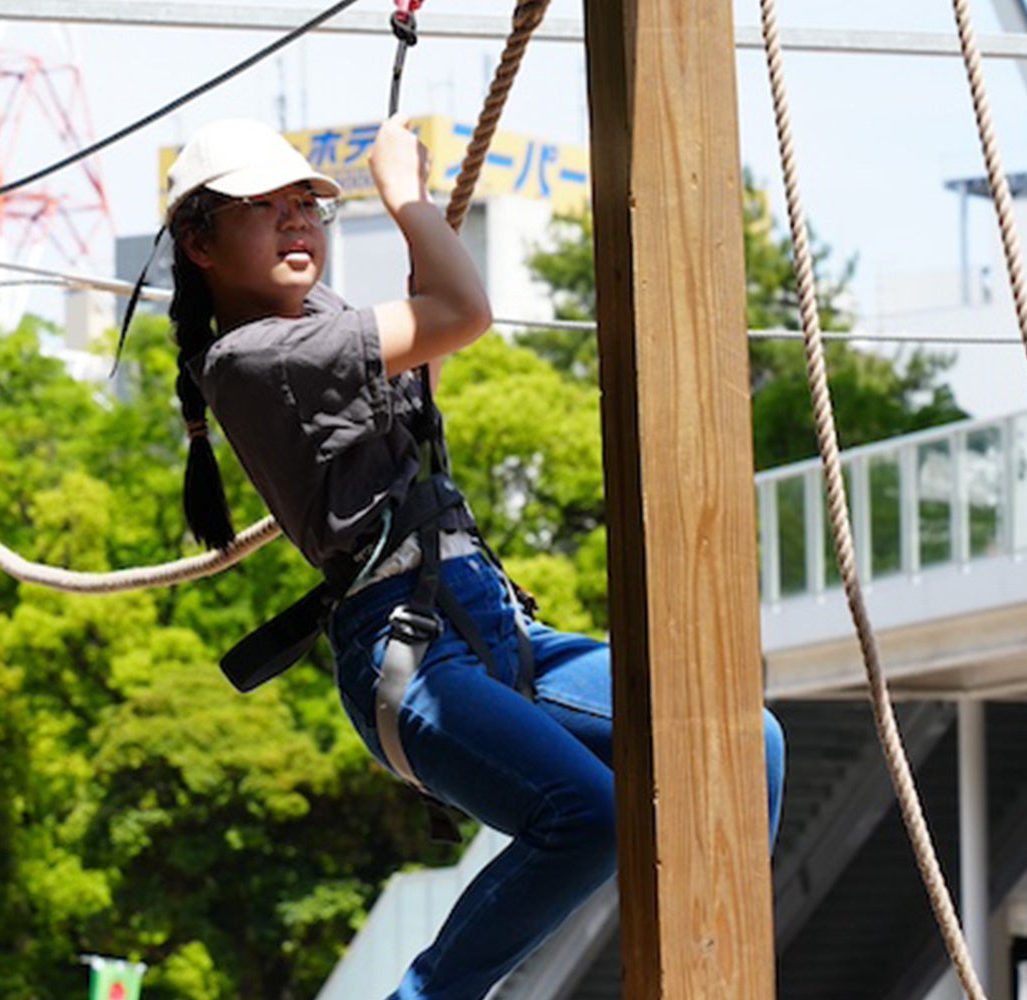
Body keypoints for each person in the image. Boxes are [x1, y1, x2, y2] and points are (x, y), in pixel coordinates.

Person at [159, 115, 785, 1000]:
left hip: (487, 624)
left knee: (741, 737)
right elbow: (463, 315)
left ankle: (721, 965)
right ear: (200, 242)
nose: (298, 223)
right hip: (409, 650)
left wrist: (418, 228)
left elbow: (429, 356)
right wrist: (408, 199)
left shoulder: (317, 325)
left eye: (306, 205)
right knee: (586, 816)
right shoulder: (258, 356)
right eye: (266, 209)